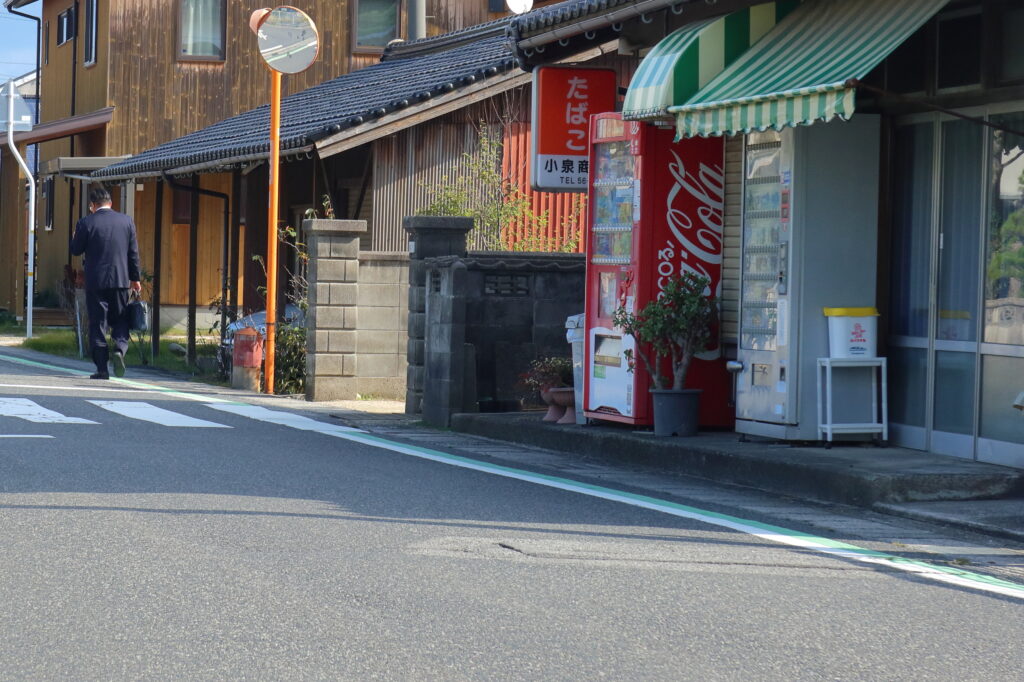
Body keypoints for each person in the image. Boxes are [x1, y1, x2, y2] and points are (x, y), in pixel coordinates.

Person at [69, 187, 142, 379]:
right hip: (120, 279)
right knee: (121, 319)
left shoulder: (86, 222)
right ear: (111, 203)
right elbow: (133, 253)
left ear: (92, 205)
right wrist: (135, 278)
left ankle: (102, 368)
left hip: (95, 281)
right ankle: (119, 349)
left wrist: (75, 236)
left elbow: (76, 250)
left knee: (98, 323)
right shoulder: (126, 221)